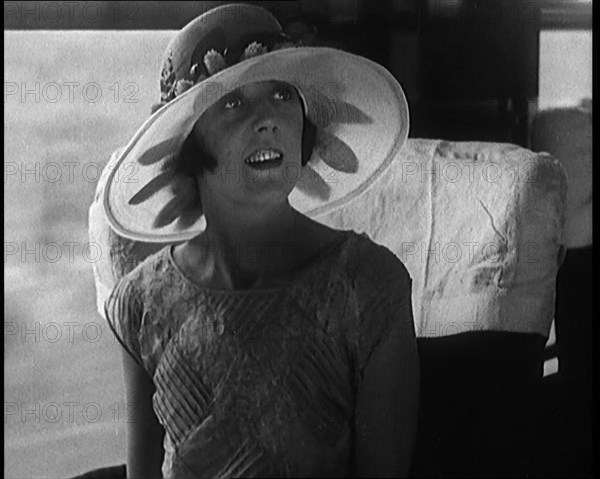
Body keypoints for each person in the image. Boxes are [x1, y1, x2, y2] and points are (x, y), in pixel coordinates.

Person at [102, 4, 417, 478]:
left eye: (281, 95)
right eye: (232, 103)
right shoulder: (141, 303)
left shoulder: (370, 286)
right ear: (189, 141)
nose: (268, 119)